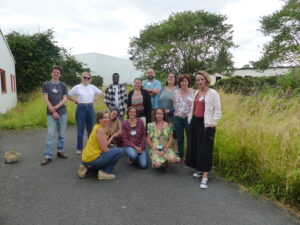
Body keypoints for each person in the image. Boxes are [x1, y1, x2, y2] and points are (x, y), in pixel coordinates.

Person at [186, 71, 221, 189]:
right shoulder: (197, 93)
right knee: (196, 147)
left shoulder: (213, 93)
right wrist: (190, 120)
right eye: (197, 80)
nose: (200, 82)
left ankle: (205, 177)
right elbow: (193, 108)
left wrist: (213, 123)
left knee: (205, 150)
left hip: (206, 125)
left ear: (206, 79)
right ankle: (200, 169)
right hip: (195, 123)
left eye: (202, 79)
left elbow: (217, 110)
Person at [77, 111, 124, 180]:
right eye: (104, 118)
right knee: (119, 151)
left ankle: (87, 170)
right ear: (99, 119)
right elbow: (104, 149)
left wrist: (112, 136)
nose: (106, 119)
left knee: (109, 154)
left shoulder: (96, 127)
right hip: (91, 160)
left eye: (108, 117)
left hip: (86, 159)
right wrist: (111, 156)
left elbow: (105, 143)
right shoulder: (100, 130)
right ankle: (105, 172)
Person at [68, 72, 102, 154]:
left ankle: (90, 147)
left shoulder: (92, 87)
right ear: (82, 78)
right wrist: (75, 101)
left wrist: (95, 100)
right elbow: (68, 95)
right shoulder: (77, 87)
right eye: (85, 77)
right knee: (80, 128)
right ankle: (79, 148)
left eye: (88, 78)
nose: (86, 79)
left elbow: (101, 93)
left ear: (90, 80)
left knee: (91, 129)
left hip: (90, 108)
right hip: (81, 108)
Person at [41, 66, 68, 165]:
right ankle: (48, 156)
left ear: (60, 74)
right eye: (54, 72)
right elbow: (46, 99)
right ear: (51, 73)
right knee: (50, 134)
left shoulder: (63, 85)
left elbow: (65, 99)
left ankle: (60, 151)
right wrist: (53, 111)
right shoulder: (46, 85)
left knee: (61, 134)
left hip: (63, 113)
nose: (56, 74)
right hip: (51, 113)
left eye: (58, 72)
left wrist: (55, 108)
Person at [173, 74, 195, 161]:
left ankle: (189, 157)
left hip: (189, 118)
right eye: (182, 81)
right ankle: (181, 156)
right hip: (178, 118)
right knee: (180, 138)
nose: (184, 83)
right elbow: (174, 104)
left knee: (190, 138)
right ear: (179, 82)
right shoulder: (176, 92)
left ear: (188, 82)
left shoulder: (193, 92)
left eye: (185, 81)